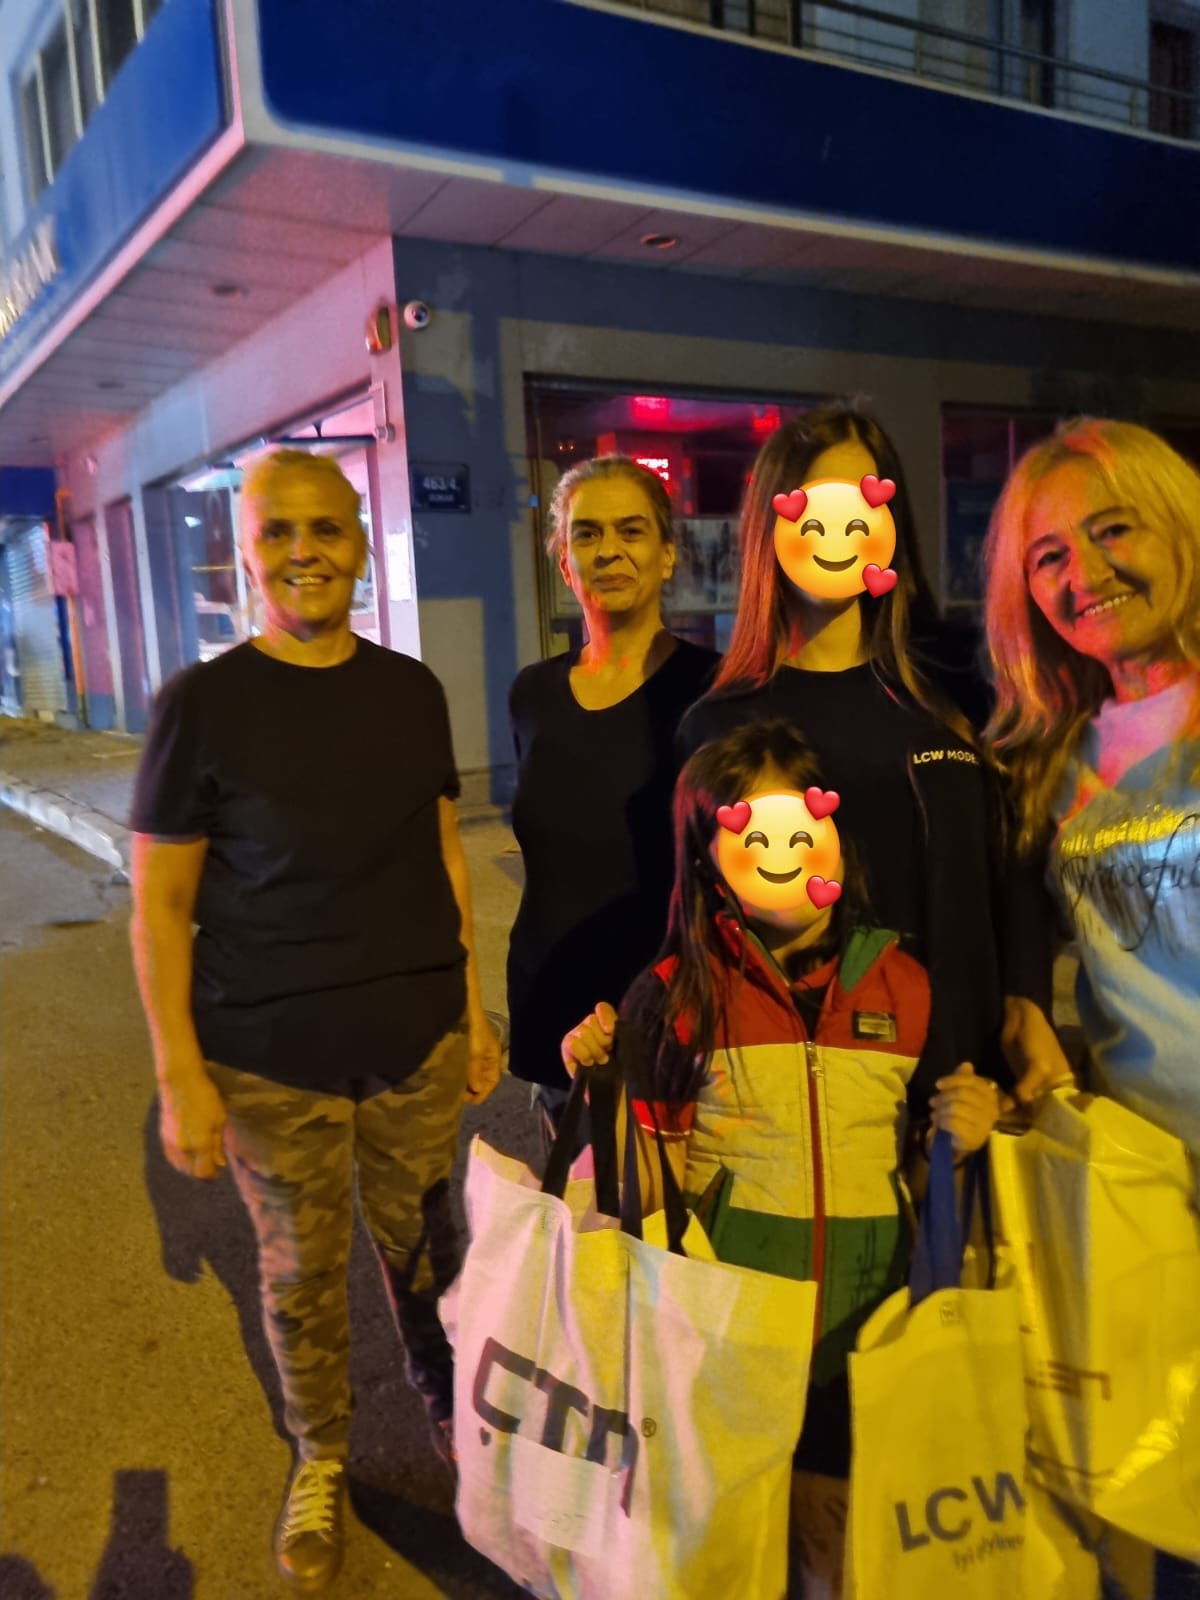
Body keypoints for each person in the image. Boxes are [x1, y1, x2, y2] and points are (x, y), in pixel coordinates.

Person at [128, 450, 501, 1594]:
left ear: (361, 542)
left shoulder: (410, 691)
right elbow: (160, 905)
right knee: (301, 1275)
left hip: (415, 1035)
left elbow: (443, 853)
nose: (305, 552)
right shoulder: (202, 706)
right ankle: (322, 1454)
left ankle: (458, 1424)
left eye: (326, 529)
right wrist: (180, 1073)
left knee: (428, 1248)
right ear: (247, 552)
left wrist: (471, 1003)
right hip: (268, 1056)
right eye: (279, 532)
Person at [561, 719, 1002, 1599]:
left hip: (866, 1335)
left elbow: (924, 1168)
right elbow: (645, 1199)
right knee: (735, 1554)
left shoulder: (905, 985)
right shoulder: (673, 998)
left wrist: (965, 1130)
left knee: (842, 1556)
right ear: (708, 862)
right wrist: (604, 1086)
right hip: (724, 1345)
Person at [673, 403, 1068, 1109]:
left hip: (969, 1088)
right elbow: (697, 929)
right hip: (817, 1107)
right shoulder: (719, 726)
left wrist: (1028, 998)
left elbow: (1017, 863)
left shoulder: (965, 688)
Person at [984, 416, 1200, 1598]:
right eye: (1049, 556)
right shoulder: (1052, 757)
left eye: (1113, 530)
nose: (1085, 572)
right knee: (1157, 1490)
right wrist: (1022, 1002)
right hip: (1142, 1188)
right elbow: (1017, 915)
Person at [506, 455, 719, 1143]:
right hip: (551, 1004)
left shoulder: (715, 694)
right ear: (564, 563)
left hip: (667, 1017)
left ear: (666, 555)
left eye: (631, 531)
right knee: (573, 1203)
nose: (608, 550)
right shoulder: (532, 694)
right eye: (587, 534)